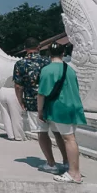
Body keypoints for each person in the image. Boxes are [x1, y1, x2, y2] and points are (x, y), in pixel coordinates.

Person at [14, 37, 64, 175]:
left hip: (32, 102)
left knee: (42, 133)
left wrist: (21, 101)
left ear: (25, 48)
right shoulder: (48, 61)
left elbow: (18, 86)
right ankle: (66, 161)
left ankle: (51, 163)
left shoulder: (21, 63)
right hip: (52, 101)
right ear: (39, 46)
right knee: (58, 133)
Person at [38, 43, 87, 183]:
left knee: (69, 139)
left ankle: (74, 173)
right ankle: (69, 164)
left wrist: (40, 111)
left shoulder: (47, 70)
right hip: (74, 106)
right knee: (65, 136)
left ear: (49, 54)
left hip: (60, 107)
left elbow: (41, 93)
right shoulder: (70, 69)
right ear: (63, 53)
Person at [0, 76, 25, 141]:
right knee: (16, 116)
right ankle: (19, 136)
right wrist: (21, 101)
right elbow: (18, 87)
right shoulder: (26, 75)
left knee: (5, 115)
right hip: (13, 92)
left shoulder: (13, 75)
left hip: (2, 91)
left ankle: (10, 135)